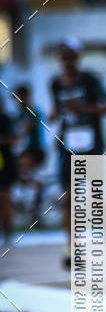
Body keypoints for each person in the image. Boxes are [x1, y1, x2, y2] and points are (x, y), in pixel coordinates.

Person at [49, 37, 106, 268]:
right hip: (68, 147)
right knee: (67, 199)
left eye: (70, 57)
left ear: (78, 57)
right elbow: (55, 111)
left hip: (93, 144)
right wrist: (55, 113)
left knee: (94, 196)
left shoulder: (90, 80)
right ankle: (71, 250)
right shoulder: (55, 84)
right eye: (63, 57)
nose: (66, 61)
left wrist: (84, 108)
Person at [13, 85, 46, 220]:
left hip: (35, 151)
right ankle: (35, 189)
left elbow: (22, 131)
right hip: (25, 152)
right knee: (13, 172)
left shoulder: (33, 112)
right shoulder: (19, 115)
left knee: (15, 168)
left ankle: (37, 189)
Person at [0, 94, 17, 246]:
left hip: (5, 165)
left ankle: (7, 233)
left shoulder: (6, 119)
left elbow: (14, 138)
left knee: (5, 199)